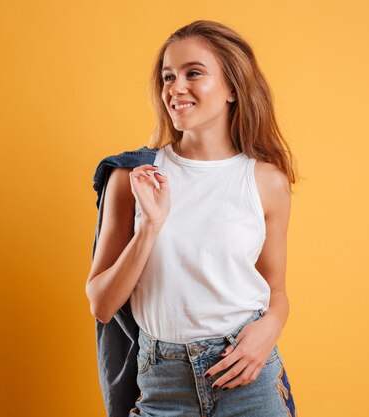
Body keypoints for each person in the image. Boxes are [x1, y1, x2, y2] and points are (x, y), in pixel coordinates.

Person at [86, 20, 299, 417]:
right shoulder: (132, 177)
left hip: (246, 374)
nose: (175, 88)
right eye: (168, 76)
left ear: (232, 88)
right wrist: (148, 227)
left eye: (193, 73)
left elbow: (277, 291)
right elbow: (101, 303)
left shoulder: (266, 181)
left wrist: (268, 330)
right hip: (162, 383)